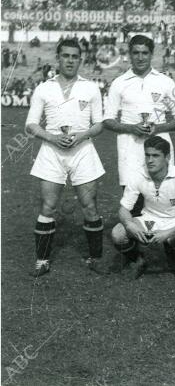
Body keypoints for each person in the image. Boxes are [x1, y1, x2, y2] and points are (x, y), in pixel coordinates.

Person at [25, 39, 106, 277]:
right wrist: (51, 137)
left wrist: (82, 135)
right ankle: (42, 261)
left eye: (74, 56)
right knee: (48, 206)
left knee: (90, 206)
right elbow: (30, 124)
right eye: (66, 56)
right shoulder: (44, 88)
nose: (70, 60)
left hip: (83, 150)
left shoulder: (90, 88)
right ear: (57, 59)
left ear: (80, 60)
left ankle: (95, 257)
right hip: (52, 151)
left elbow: (99, 124)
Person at [103, 35, 175, 215]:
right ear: (129, 54)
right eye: (136, 53)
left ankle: (168, 239)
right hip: (130, 151)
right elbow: (108, 120)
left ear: (151, 54)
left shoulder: (165, 82)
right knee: (134, 206)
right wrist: (131, 128)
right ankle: (134, 239)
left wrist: (158, 128)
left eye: (144, 53)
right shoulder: (119, 83)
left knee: (166, 202)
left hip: (160, 148)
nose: (140, 57)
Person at [110, 137, 175, 280]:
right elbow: (123, 209)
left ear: (167, 157)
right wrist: (129, 224)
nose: (150, 160)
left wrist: (168, 233)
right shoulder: (138, 174)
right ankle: (138, 260)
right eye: (147, 155)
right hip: (150, 219)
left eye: (155, 156)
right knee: (118, 233)